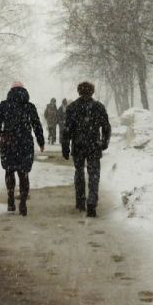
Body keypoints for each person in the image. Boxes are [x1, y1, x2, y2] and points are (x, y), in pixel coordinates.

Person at [0, 83, 45, 216]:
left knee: (9, 171)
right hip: (25, 143)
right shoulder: (29, 106)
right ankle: (22, 202)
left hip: (9, 142)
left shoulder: (4, 105)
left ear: (11, 91)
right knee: (23, 173)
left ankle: (11, 199)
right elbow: (36, 125)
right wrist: (41, 141)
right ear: (24, 91)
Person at [60, 81, 111, 217]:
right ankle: (92, 202)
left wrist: (65, 147)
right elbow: (106, 127)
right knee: (94, 174)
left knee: (79, 172)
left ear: (79, 91)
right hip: (94, 145)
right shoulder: (98, 107)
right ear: (92, 92)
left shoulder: (72, 107)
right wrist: (104, 142)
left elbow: (67, 129)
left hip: (78, 145)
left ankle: (80, 200)